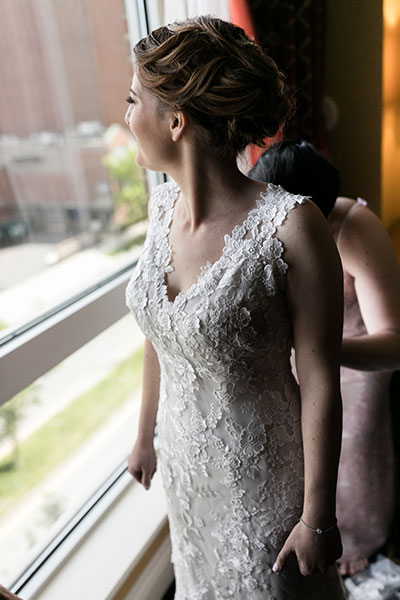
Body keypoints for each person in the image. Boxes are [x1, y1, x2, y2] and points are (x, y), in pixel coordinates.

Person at [125, 17, 346, 598]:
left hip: (263, 482)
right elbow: (162, 332)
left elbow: (321, 379)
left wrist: (317, 516)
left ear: (176, 120)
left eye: (132, 101)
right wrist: (144, 434)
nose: (125, 119)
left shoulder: (293, 228)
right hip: (184, 467)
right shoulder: (160, 209)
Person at [249, 140, 400, 577]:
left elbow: (393, 343)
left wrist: (316, 349)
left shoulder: (355, 230)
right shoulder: (263, 219)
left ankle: (358, 540)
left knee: (352, 459)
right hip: (296, 366)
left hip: (356, 366)